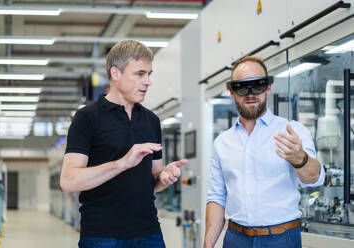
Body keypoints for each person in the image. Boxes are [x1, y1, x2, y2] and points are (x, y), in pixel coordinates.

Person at [60, 40, 187, 248]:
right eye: (140, 74)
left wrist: (164, 177)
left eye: (149, 74)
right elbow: (68, 182)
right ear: (116, 74)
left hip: (149, 234)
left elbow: (154, 181)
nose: (148, 82)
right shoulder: (87, 118)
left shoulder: (152, 121)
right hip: (102, 236)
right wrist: (123, 163)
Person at [203, 56, 325, 248]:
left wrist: (300, 159)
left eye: (257, 85)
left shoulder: (292, 131)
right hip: (236, 239)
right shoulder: (222, 143)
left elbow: (314, 178)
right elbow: (218, 197)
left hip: (281, 239)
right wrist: (208, 244)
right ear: (232, 92)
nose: (251, 94)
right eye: (242, 87)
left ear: (268, 87)